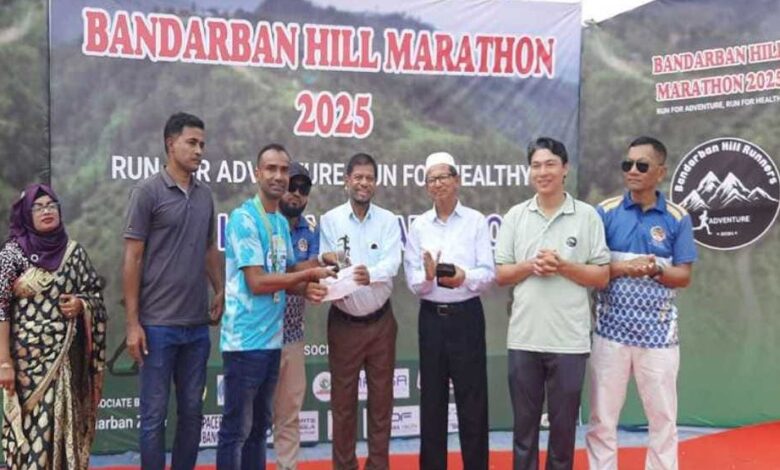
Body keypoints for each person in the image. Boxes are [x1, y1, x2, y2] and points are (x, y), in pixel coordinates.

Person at [494, 137, 610, 470]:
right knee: (524, 432)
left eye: (550, 164)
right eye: (536, 166)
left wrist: (563, 266)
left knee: (562, 434)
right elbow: (501, 273)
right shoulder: (516, 216)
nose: (542, 172)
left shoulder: (586, 216)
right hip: (524, 339)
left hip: (569, 342)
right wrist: (532, 265)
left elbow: (601, 276)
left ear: (565, 168)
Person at [217, 144, 332, 470]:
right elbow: (257, 281)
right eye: (272, 169)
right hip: (244, 342)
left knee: (257, 431)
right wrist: (307, 276)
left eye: (283, 170)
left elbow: (287, 273)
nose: (279, 177)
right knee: (235, 431)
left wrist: (310, 283)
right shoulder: (244, 219)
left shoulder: (280, 223)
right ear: (257, 173)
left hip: (273, 340)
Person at [586, 136, 697, 470]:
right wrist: (624, 268)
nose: (632, 171)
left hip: (659, 337)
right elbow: (591, 269)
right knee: (602, 419)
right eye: (627, 164)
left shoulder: (678, 217)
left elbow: (684, 275)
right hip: (610, 334)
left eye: (642, 165)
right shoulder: (604, 212)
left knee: (662, 419)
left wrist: (656, 270)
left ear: (660, 172)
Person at [122, 112, 224, 470]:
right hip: (157, 326)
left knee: (193, 412)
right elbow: (132, 258)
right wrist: (133, 324)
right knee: (153, 416)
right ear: (170, 143)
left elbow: (209, 248)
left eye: (202, 144)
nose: (199, 151)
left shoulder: (205, 196)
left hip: (196, 326)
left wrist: (219, 289)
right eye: (191, 143)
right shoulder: (147, 192)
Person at [0, 184, 107, 469]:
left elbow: (95, 296)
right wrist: (4, 362)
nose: (46, 211)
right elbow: (1, 308)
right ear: (26, 214)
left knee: (63, 429)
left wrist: (81, 305)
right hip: (26, 364)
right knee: (31, 433)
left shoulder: (74, 253)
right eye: (38, 207)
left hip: (65, 361)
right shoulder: (12, 254)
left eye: (51, 205)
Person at [404, 152, 495, 470]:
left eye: (443, 177)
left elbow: (488, 273)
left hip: (467, 316)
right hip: (432, 319)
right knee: (432, 402)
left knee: (473, 402)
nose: (437, 183)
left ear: (457, 180)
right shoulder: (419, 226)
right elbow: (413, 280)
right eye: (431, 179)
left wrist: (463, 277)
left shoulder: (475, 221)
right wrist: (429, 277)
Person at [319, 152, 402, 470]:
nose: (363, 183)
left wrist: (370, 273)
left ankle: (378, 465)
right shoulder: (330, 220)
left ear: (375, 183)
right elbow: (326, 266)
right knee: (342, 404)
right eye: (358, 177)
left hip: (381, 323)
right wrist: (334, 265)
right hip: (344, 324)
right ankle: (345, 466)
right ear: (347, 181)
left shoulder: (389, 220)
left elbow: (392, 264)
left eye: (369, 178)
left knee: (382, 402)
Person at [271, 162, 321, 470]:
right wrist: (303, 275)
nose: (297, 194)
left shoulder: (309, 231)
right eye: (292, 186)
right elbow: (267, 275)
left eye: (303, 189)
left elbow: (310, 275)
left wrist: (308, 280)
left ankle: (286, 466)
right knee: (250, 416)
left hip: (292, 335)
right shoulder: (262, 224)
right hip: (259, 334)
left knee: (289, 415)